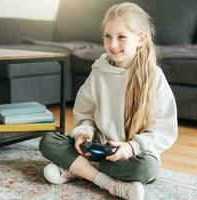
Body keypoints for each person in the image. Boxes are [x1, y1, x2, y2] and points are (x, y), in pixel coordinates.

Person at [39, 2, 178, 200]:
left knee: (147, 169)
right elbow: (85, 113)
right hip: (96, 147)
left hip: (130, 155)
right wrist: (83, 134)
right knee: (48, 141)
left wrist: (131, 147)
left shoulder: (154, 77)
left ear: (141, 39)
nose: (113, 45)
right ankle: (110, 183)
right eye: (107, 36)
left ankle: (77, 169)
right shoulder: (99, 71)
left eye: (121, 37)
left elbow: (165, 129)